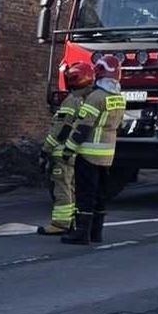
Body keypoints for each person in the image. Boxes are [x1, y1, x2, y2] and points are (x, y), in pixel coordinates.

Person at [62, 55, 128, 245]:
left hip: (89, 154)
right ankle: (96, 233)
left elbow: (83, 127)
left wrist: (69, 149)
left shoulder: (95, 97)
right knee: (100, 195)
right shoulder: (119, 98)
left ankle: (81, 233)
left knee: (85, 194)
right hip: (107, 155)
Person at [37, 61, 96, 235]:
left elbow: (60, 128)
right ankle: (71, 221)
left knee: (62, 187)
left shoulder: (71, 101)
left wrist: (46, 149)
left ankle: (61, 224)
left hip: (62, 152)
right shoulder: (90, 100)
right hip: (77, 152)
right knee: (71, 187)